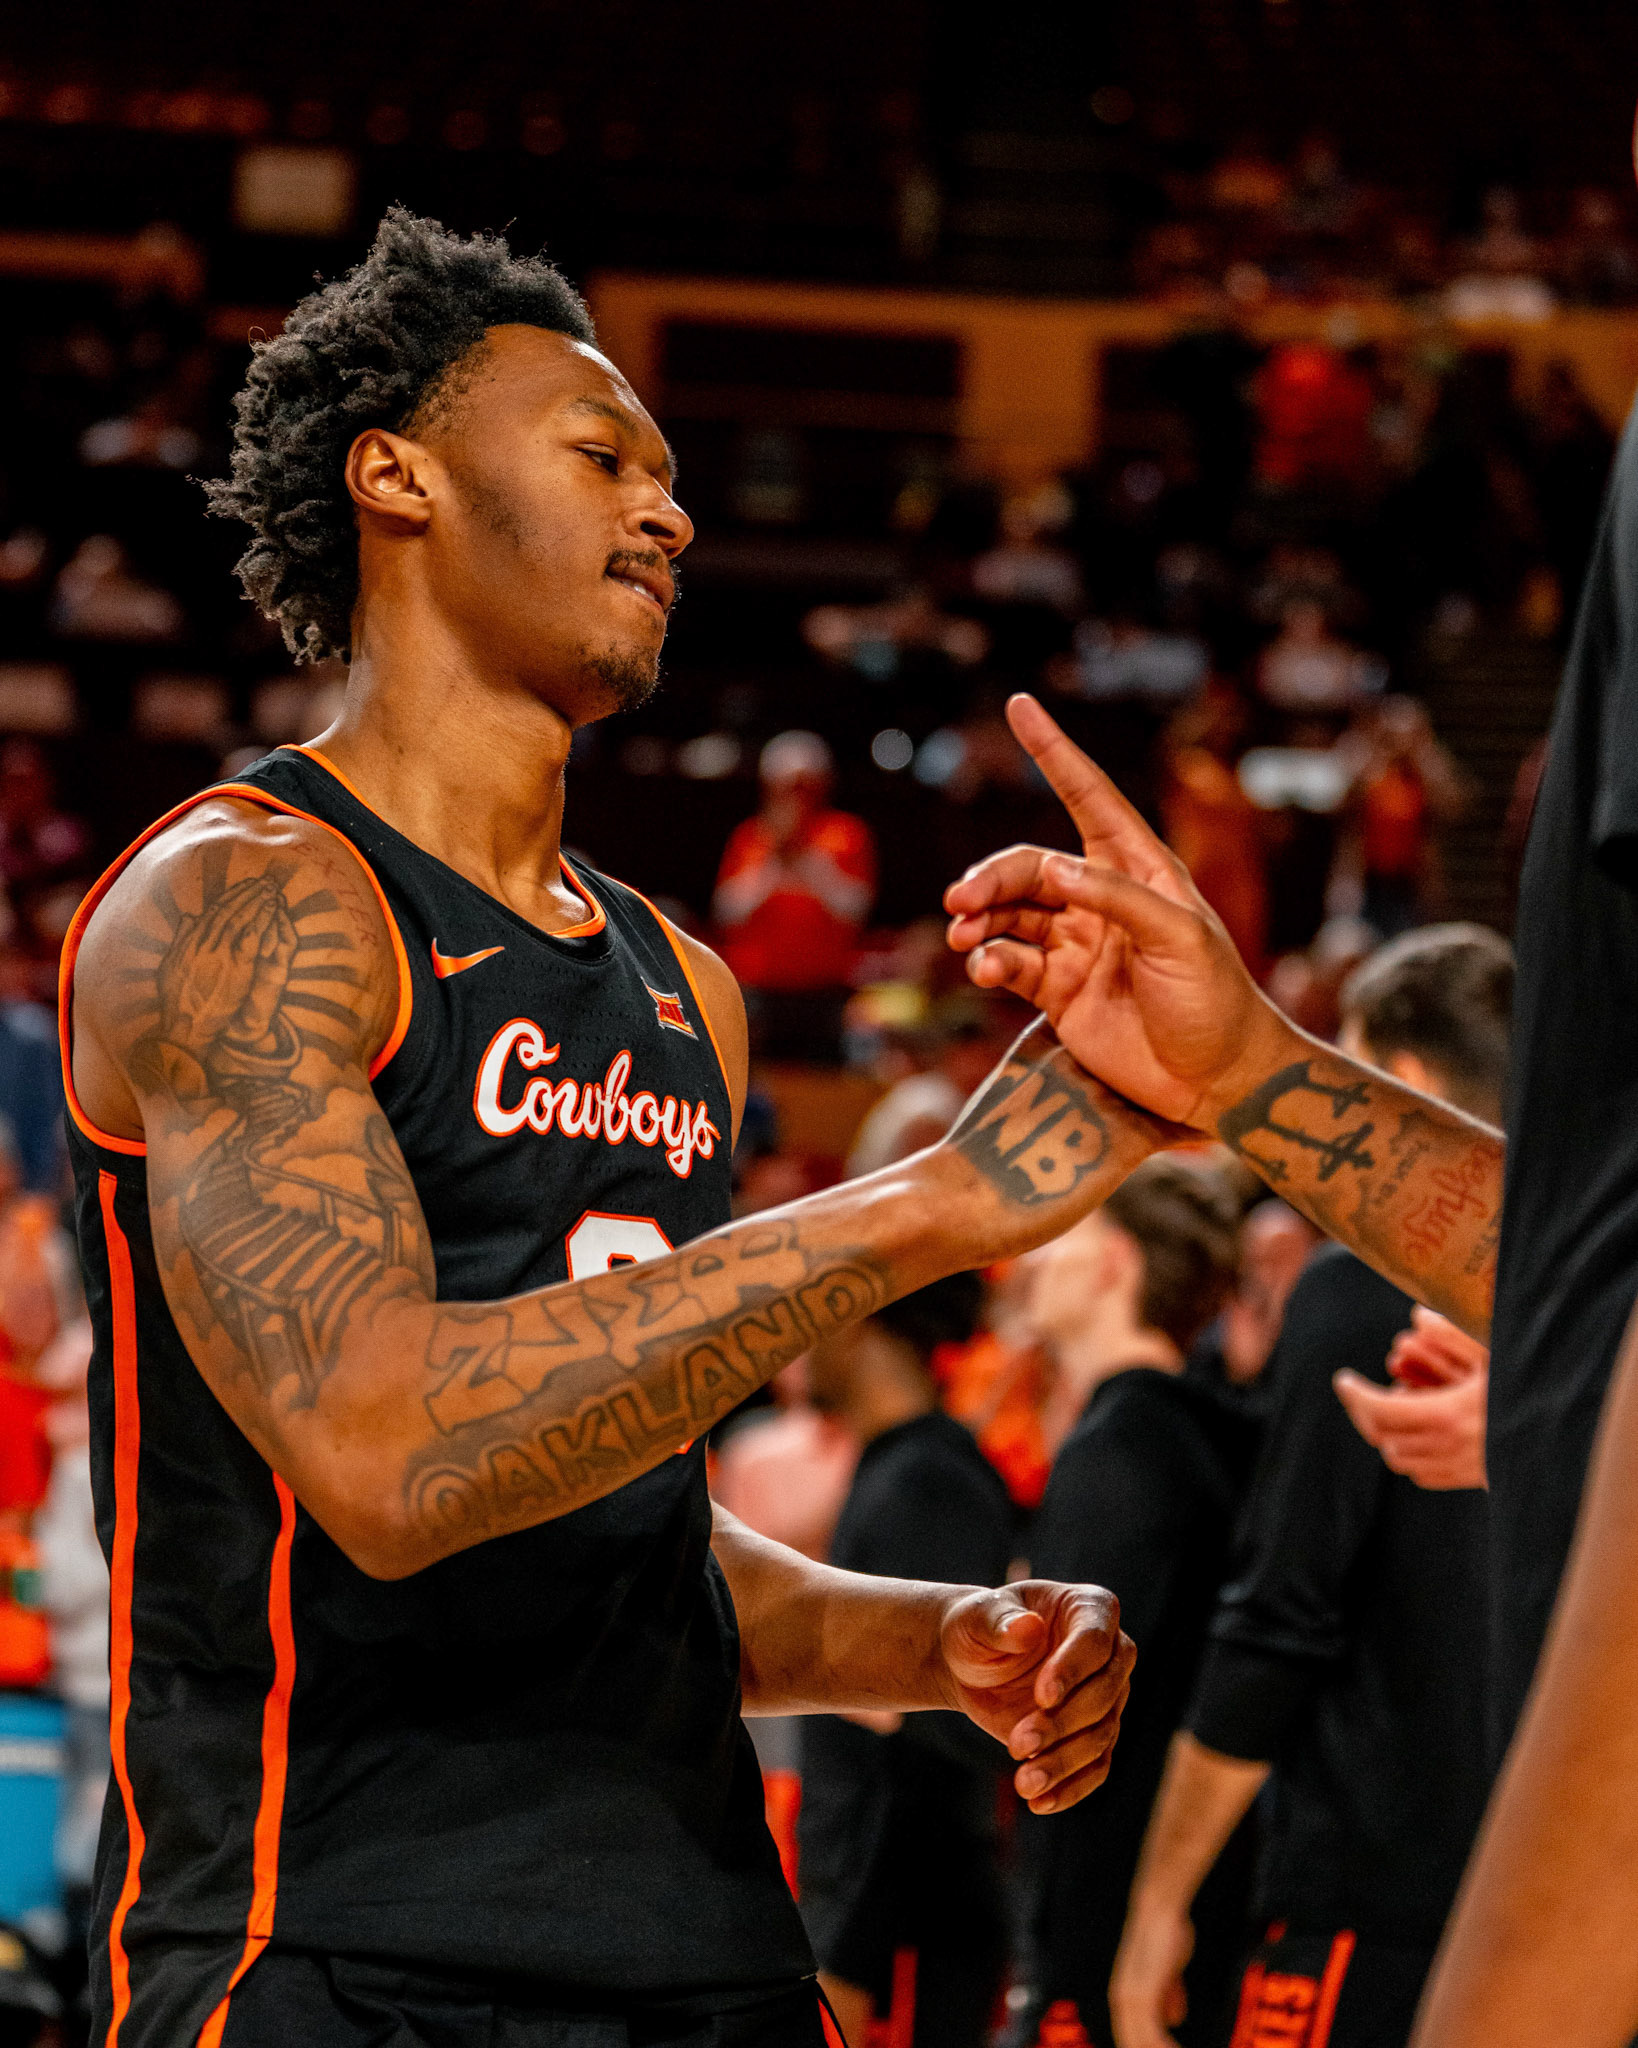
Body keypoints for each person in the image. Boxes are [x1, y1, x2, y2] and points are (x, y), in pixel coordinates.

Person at [62, 212, 1162, 2048]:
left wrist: (933, 1642)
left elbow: (620, 1534)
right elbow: (390, 1452)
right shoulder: (245, 901)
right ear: (395, 474)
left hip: (704, 1952)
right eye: (604, 459)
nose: (667, 515)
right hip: (331, 1946)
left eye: (666, 480)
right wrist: (930, 1205)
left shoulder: (679, 980)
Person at [932, 673, 1638, 2048]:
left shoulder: (1325, 1311)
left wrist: (1154, 1910)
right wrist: (1244, 1076)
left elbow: (1275, 1629)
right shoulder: (1552, 1316)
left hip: (1397, 1916)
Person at [1109, 925, 1508, 2048]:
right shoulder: (1595, 1288)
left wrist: (1156, 1903)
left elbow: (1280, 1620)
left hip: (1374, 1909)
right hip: (1563, 1904)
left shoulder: (1366, 1277)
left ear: (1405, 1088)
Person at [1008, 1160, 1252, 2048]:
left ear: (1114, 1263)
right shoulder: (1207, 1432)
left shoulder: (1121, 1445)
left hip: (1104, 1921)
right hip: (1187, 1907)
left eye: (1063, 1239)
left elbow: (1055, 1699)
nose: (1036, 1263)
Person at [797, 1275, 1014, 2048]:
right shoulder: (906, 1469)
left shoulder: (925, 1485)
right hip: (881, 1928)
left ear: (858, 1321)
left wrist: (848, 1958)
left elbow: (924, 1743)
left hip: (902, 1939)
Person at [713, 732, 876, 1063]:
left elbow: (854, 910)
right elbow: (727, 911)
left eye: (805, 785)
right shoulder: (751, 837)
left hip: (823, 992)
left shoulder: (845, 834)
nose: (795, 796)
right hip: (759, 991)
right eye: (786, 785)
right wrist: (772, 865)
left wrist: (810, 863)